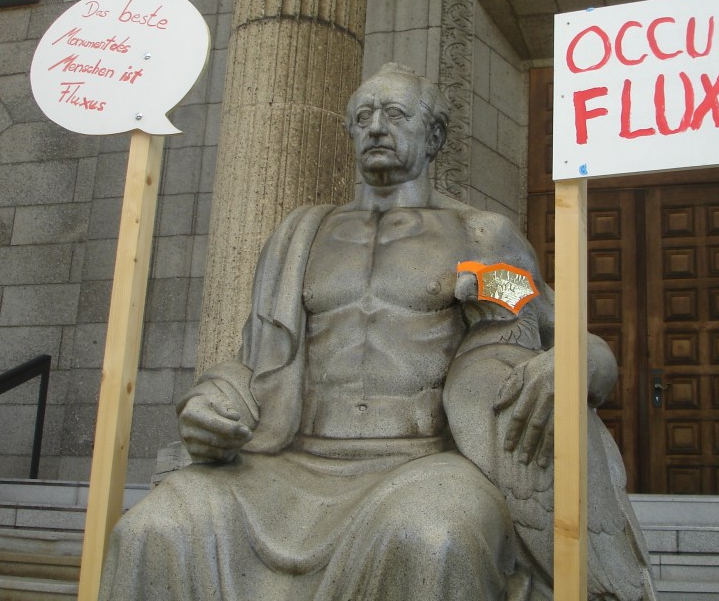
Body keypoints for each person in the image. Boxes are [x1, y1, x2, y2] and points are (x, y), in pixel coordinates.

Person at [100, 63, 651, 601]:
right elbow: (253, 361)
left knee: (434, 537)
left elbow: (569, 338)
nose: (377, 128)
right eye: (363, 117)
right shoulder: (302, 236)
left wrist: (579, 365)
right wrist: (209, 404)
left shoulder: (478, 236)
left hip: (422, 465)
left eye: (395, 114)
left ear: (434, 137)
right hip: (288, 461)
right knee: (152, 528)